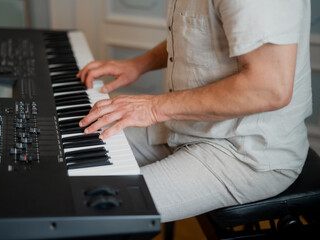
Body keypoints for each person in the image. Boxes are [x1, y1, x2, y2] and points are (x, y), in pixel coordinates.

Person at [76, 0, 312, 222]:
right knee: (73, 151)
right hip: (188, 122)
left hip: (245, 151)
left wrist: (153, 108)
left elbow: (270, 89)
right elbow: (202, 34)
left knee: (94, 209)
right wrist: (139, 64)